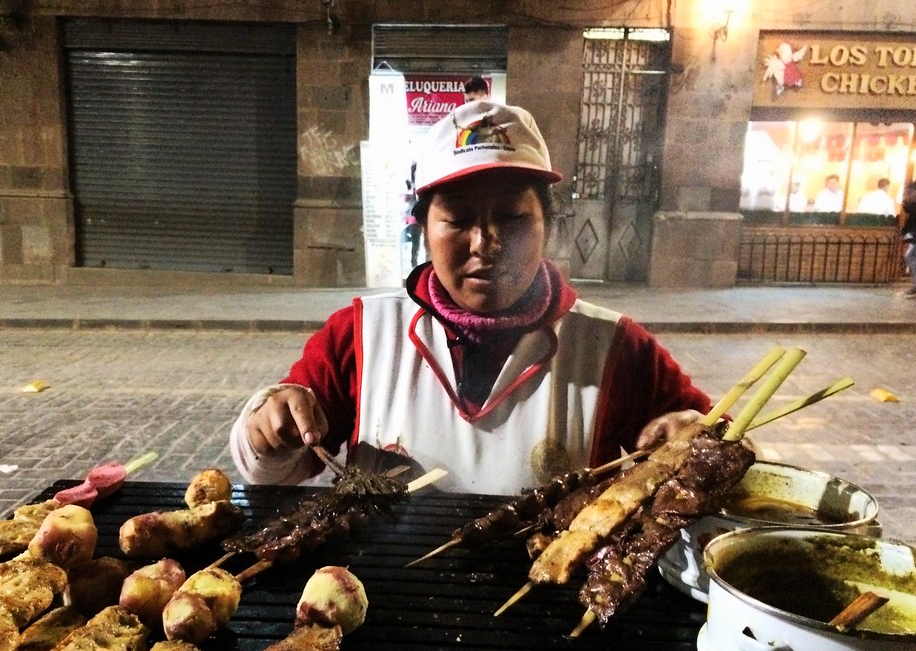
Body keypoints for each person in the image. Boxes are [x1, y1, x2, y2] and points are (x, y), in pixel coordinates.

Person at [230, 100, 712, 494]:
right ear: (423, 229)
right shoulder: (360, 335)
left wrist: (695, 440)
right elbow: (273, 472)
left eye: (512, 218)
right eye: (458, 220)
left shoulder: (615, 347)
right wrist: (266, 432)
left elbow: (724, 444)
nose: (485, 243)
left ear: (548, 225)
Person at [900, 181, 916, 298]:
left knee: (909, 256)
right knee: (910, 258)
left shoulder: (912, 206)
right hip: (912, 235)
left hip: (913, 236)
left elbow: (909, 209)